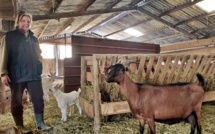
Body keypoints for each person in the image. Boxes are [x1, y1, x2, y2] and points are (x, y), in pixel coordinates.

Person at [0, 11, 52, 133]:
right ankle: (19, 125)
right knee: (16, 101)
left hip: (34, 74)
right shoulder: (9, 36)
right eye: (23, 20)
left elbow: (39, 53)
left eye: (28, 21)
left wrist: (39, 63)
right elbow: (3, 55)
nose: (26, 23)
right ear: (18, 22)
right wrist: (3, 73)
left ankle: (40, 123)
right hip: (17, 75)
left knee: (38, 99)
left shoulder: (34, 38)